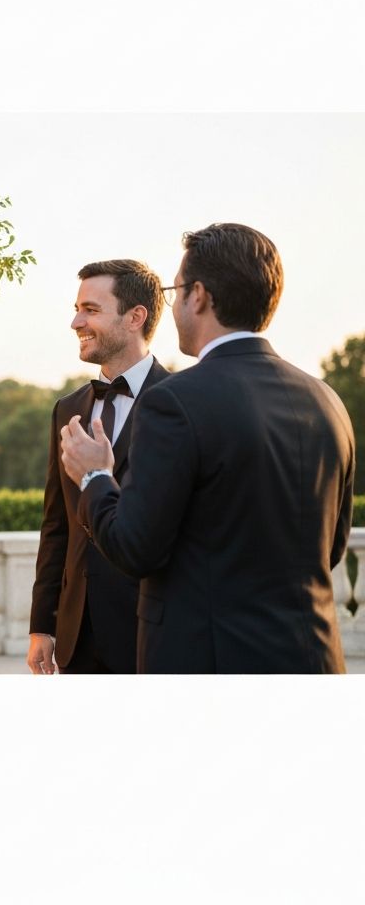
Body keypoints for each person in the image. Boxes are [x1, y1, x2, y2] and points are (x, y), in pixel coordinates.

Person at [61, 223, 355, 674]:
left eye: (175, 291)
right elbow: (330, 549)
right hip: (314, 662)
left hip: (209, 668)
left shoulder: (173, 401)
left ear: (197, 295)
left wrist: (95, 476)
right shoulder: (327, 401)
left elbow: (134, 549)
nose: (174, 306)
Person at [28, 260, 170, 675]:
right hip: (77, 634)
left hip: (149, 628)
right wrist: (42, 624)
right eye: (77, 309)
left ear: (135, 317)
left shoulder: (181, 403)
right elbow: (57, 524)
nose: (76, 322)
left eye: (90, 310)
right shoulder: (67, 408)